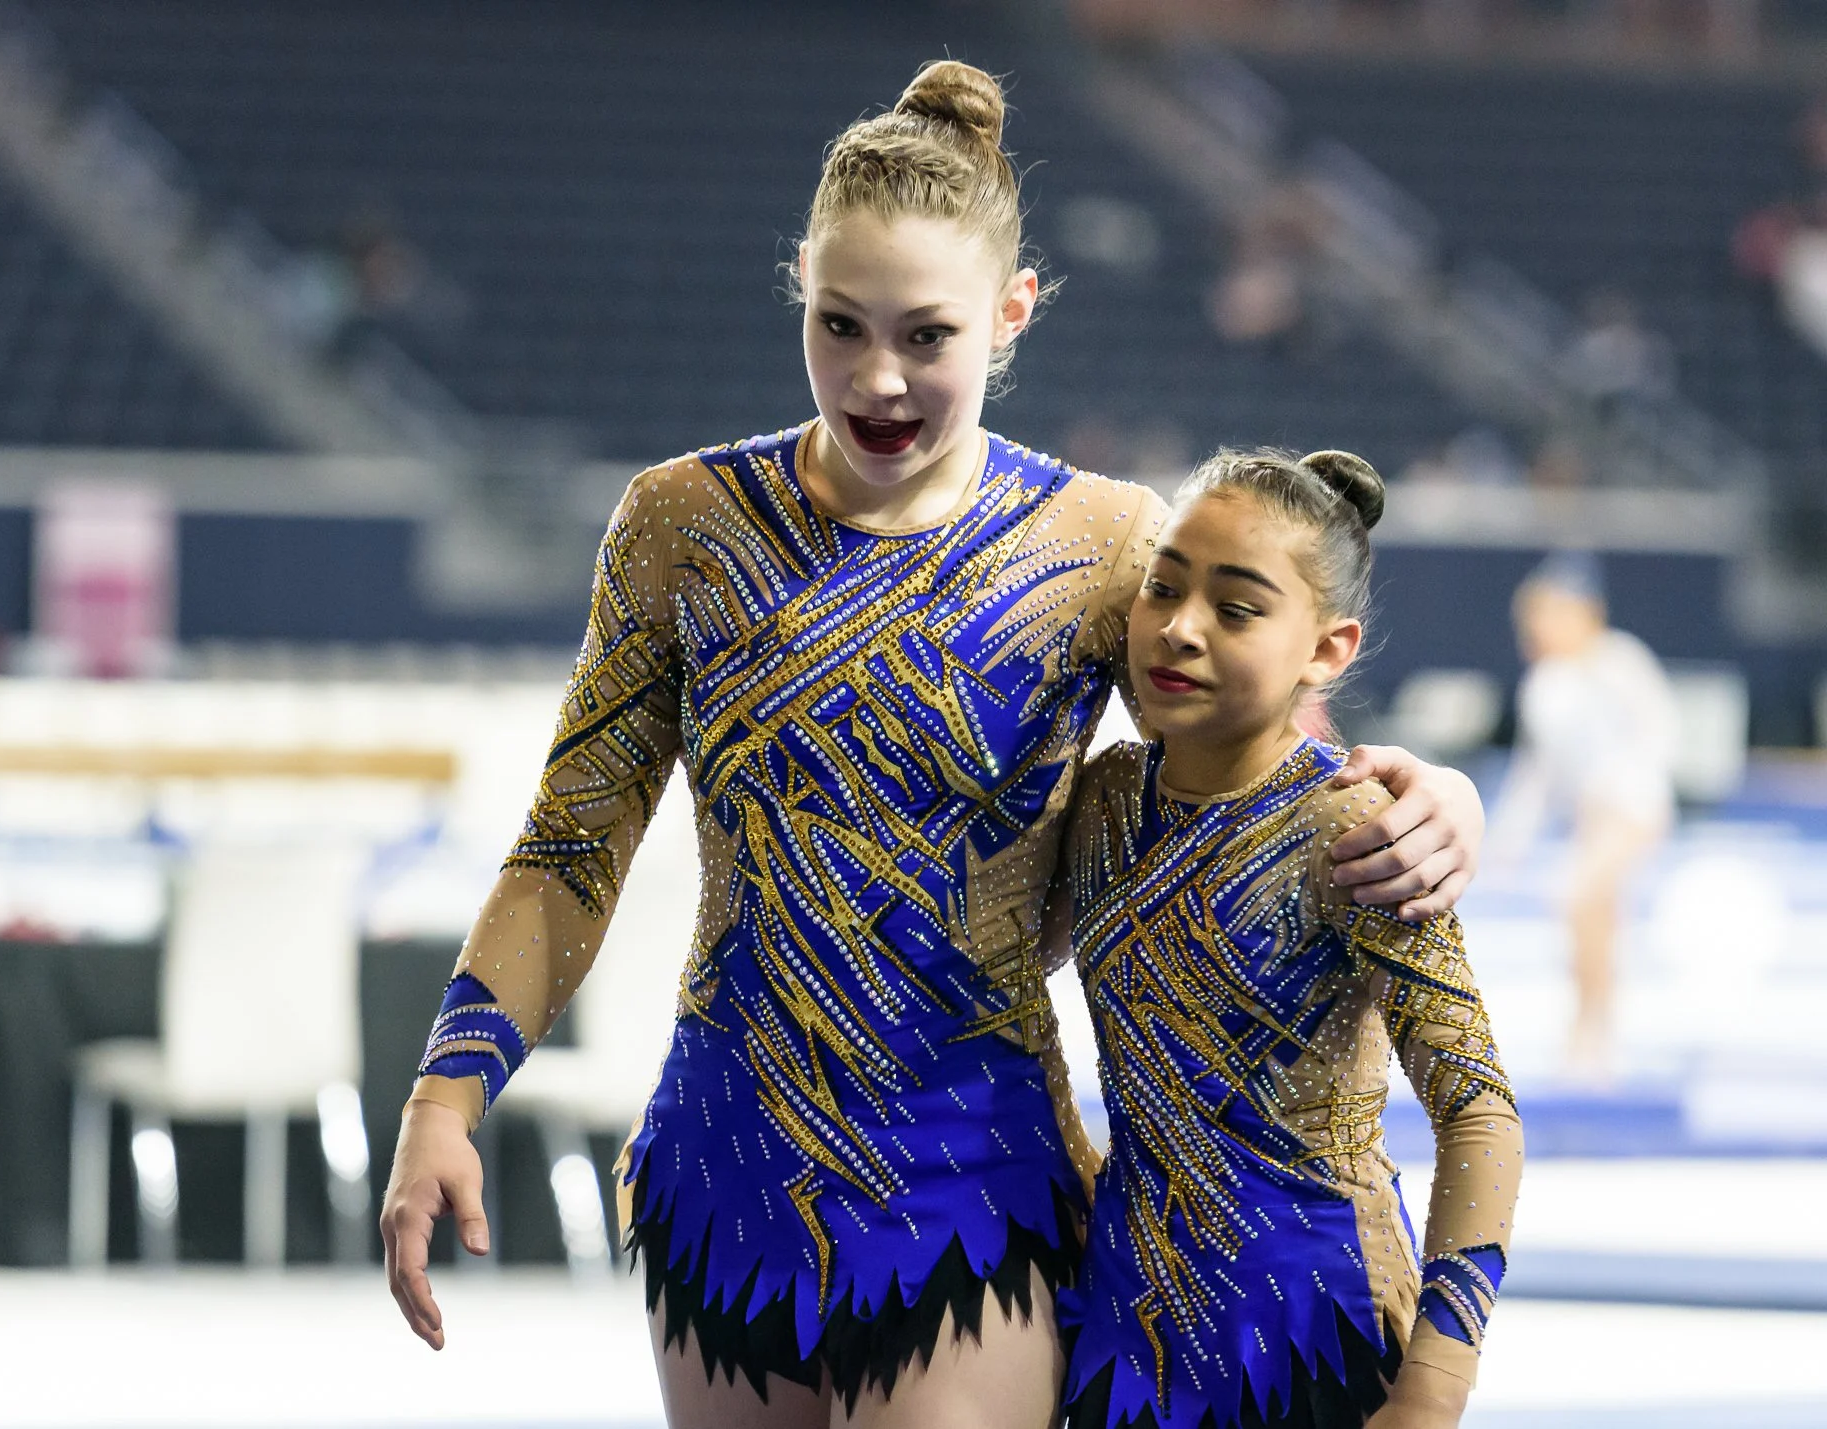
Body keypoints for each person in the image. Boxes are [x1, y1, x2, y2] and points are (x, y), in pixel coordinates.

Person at [381, 64, 1487, 1429]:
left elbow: (1251, 768)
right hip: (726, 1167)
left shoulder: (1101, 544)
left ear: (1012, 313)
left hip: (972, 1174)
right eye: (839, 325)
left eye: (927, 335)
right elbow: (570, 849)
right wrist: (445, 1095)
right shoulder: (681, 525)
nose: (878, 378)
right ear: (798, 283)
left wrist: (1438, 794)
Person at [1056, 449, 1522, 1429]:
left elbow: (1479, 1114)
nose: (1180, 628)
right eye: (1162, 588)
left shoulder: (1351, 824)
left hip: (1319, 1327)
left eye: (1235, 609)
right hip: (1129, 1327)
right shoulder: (1099, 802)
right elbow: (993, 981)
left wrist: (1434, 1388)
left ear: (1325, 650)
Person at [1492, 552, 1675, 1083]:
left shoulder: (1619, 661)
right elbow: (1536, 771)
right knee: (1593, 919)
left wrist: (1619, 785)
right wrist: (1508, 837)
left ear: (1581, 614)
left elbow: (1660, 729)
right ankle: (1594, 1028)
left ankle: (1592, 1029)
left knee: (1577, 897)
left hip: (1633, 808)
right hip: (1590, 818)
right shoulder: (1545, 685)